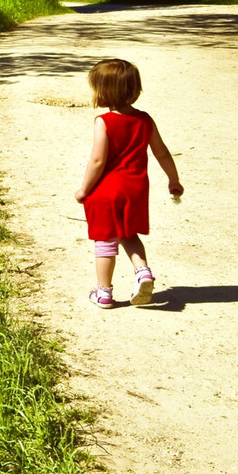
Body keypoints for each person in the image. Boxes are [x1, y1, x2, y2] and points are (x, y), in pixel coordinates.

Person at [75, 58, 184, 308]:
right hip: (135, 190)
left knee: (105, 241)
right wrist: (173, 180)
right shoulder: (145, 120)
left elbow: (98, 160)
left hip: (106, 192)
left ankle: (104, 293)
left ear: (103, 92)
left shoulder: (105, 121)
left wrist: (83, 189)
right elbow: (162, 153)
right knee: (128, 233)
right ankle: (142, 271)